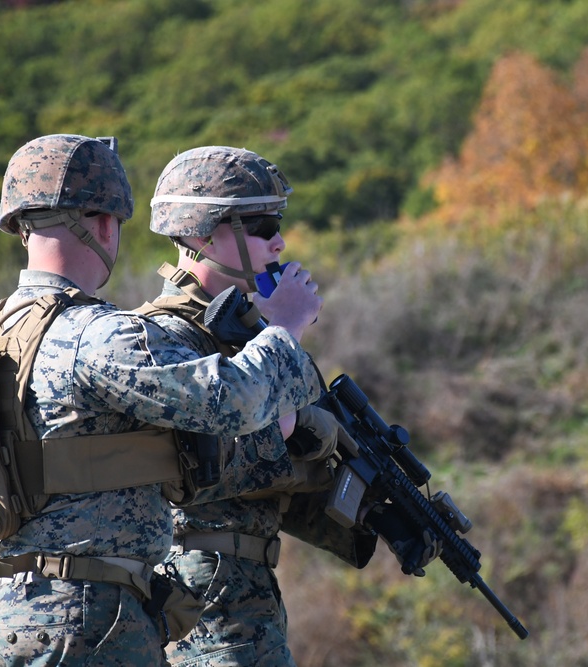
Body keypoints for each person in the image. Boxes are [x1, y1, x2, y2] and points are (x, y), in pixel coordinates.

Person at [0, 134, 323, 667]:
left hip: (11, 610)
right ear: (105, 223)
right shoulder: (101, 334)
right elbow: (233, 404)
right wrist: (286, 328)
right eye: (263, 226)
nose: (278, 242)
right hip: (89, 618)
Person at [141, 146, 442, 666]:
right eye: (259, 225)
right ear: (202, 235)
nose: (278, 240)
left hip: (247, 597)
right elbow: (200, 468)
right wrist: (288, 345)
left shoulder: (249, 335)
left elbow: (279, 480)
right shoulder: (159, 339)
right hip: (194, 600)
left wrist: (373, 515)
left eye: (277, 222)